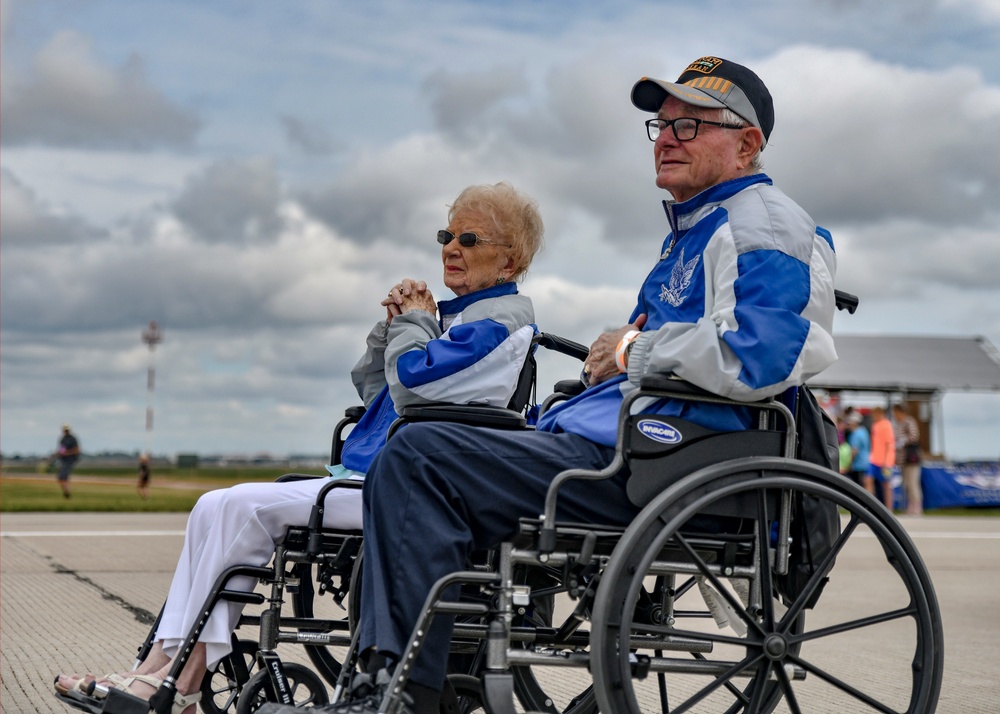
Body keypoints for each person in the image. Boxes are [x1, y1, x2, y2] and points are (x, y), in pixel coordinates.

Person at [270, 56, 838, 714]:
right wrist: (613, 361)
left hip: (665, 460)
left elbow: (765, 354)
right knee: (429, 442)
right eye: (664, 124)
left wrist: (631, 348)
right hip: (632, 444)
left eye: (692, 124)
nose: (670, 137)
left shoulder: (761, 224)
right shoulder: (695, 232)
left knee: (420, 455)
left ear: (747, 143)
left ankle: (398, 690)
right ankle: (431, 675)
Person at [53, 182, 544, 714]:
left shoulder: (502, 320)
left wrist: (415, 325)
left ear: (509, 259)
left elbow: (415, 386)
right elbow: (373, 390)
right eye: (447, 234)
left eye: (469, 238)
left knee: (244, 508)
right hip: (376, 472)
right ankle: (153, 668)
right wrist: (390, 331)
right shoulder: (454, 317)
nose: (451, 247)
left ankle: (184, 682)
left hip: (414, 488)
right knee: (210, 505)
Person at [893, 403, 923, 515]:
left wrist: (903, 441)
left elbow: (914, 437)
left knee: (913, 483)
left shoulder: (909, 421)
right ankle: (910, 505)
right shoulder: (897, 424)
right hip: (902, 459)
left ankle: (917, 505)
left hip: (912, 458)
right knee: (906, 483)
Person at [868, 406, 896, 511]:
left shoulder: (886, 425)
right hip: (874, 458)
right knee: (868, 479)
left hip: (885, 461)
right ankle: (870, 505)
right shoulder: (874, 425)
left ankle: (889, 508)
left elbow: (889, 444)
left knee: (886, 484)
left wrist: (887, 461)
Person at [846, 411, 871, 489]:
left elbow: (854, 451)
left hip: (858, 465)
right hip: (866, 463)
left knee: (858, 488)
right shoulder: (864, 431)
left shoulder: (855, 434)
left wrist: (850, 463)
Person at [53, 424, 80, 499]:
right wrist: (58, 454)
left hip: (70, 460)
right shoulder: (63, 439)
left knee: (63, 476)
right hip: (63, 459)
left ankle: (67, 492)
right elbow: (62, 450)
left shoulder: (72, 439)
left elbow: (76, 450)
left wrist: (67, 453)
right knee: (61, 477)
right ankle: (66, 492)